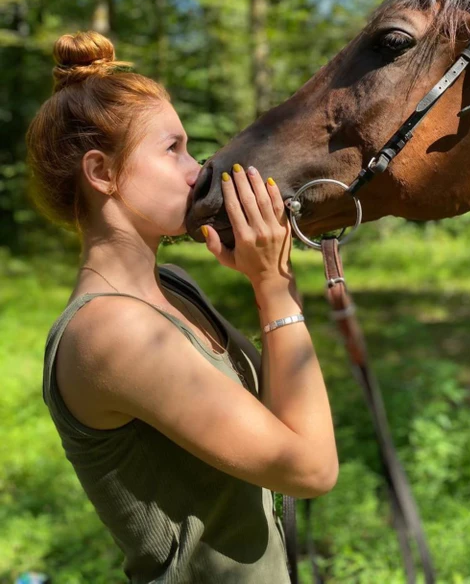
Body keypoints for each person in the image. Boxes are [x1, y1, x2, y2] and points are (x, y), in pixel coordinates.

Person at [26, 31, 338, 584]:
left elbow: (281, 423)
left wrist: (273, 281)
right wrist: (272, 288)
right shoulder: (111, 332)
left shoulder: (174, 287)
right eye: (172, 150)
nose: (196, 169)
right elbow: (311, 468)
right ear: (102, 173)